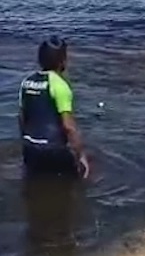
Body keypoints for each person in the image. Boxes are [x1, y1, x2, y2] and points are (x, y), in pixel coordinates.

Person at [17, 36, 90, 179]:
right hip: (54, 151)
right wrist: (81, 156)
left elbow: (21, 117)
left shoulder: (26, 82)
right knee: (75, 187)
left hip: (30, 150)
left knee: (33, 190)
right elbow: (69, 127)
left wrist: (27, 143)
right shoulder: (60, 85)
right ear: (62, 61)